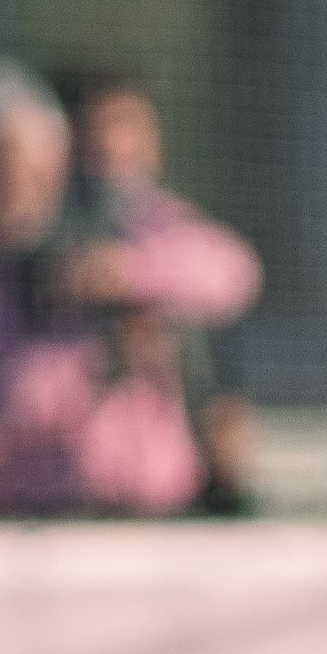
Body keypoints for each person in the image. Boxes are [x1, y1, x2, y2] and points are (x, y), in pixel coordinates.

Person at [0, 58, 260, 517]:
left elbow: (232, 272)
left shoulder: (109, 229)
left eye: (30, 162)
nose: (10, 181)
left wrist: (120, 273)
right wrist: (97, 358)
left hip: (151, 519)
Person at [48, 62, 262, 514]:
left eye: (129, 125)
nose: (114, 146)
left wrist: (127, 273)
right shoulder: (43, 231)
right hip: (70, 488)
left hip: (172, 491)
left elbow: (234, 274)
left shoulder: (162, 226)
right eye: (98, 128)